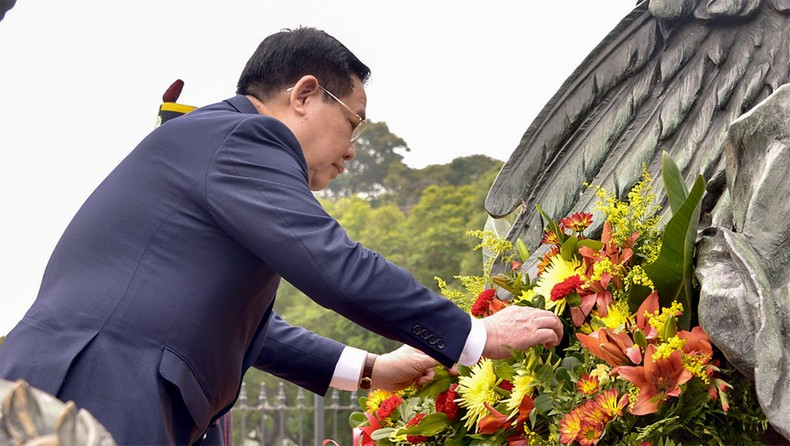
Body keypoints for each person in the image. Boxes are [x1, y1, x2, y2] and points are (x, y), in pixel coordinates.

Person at [0, 27, 563, 444]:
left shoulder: (219, 150)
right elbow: (334, 264)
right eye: (354, 122)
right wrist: (474, 336)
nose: (351, 149)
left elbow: (252, 331)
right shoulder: (245, 137)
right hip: (95, 387)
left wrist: (374, 371)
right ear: (304, 95)